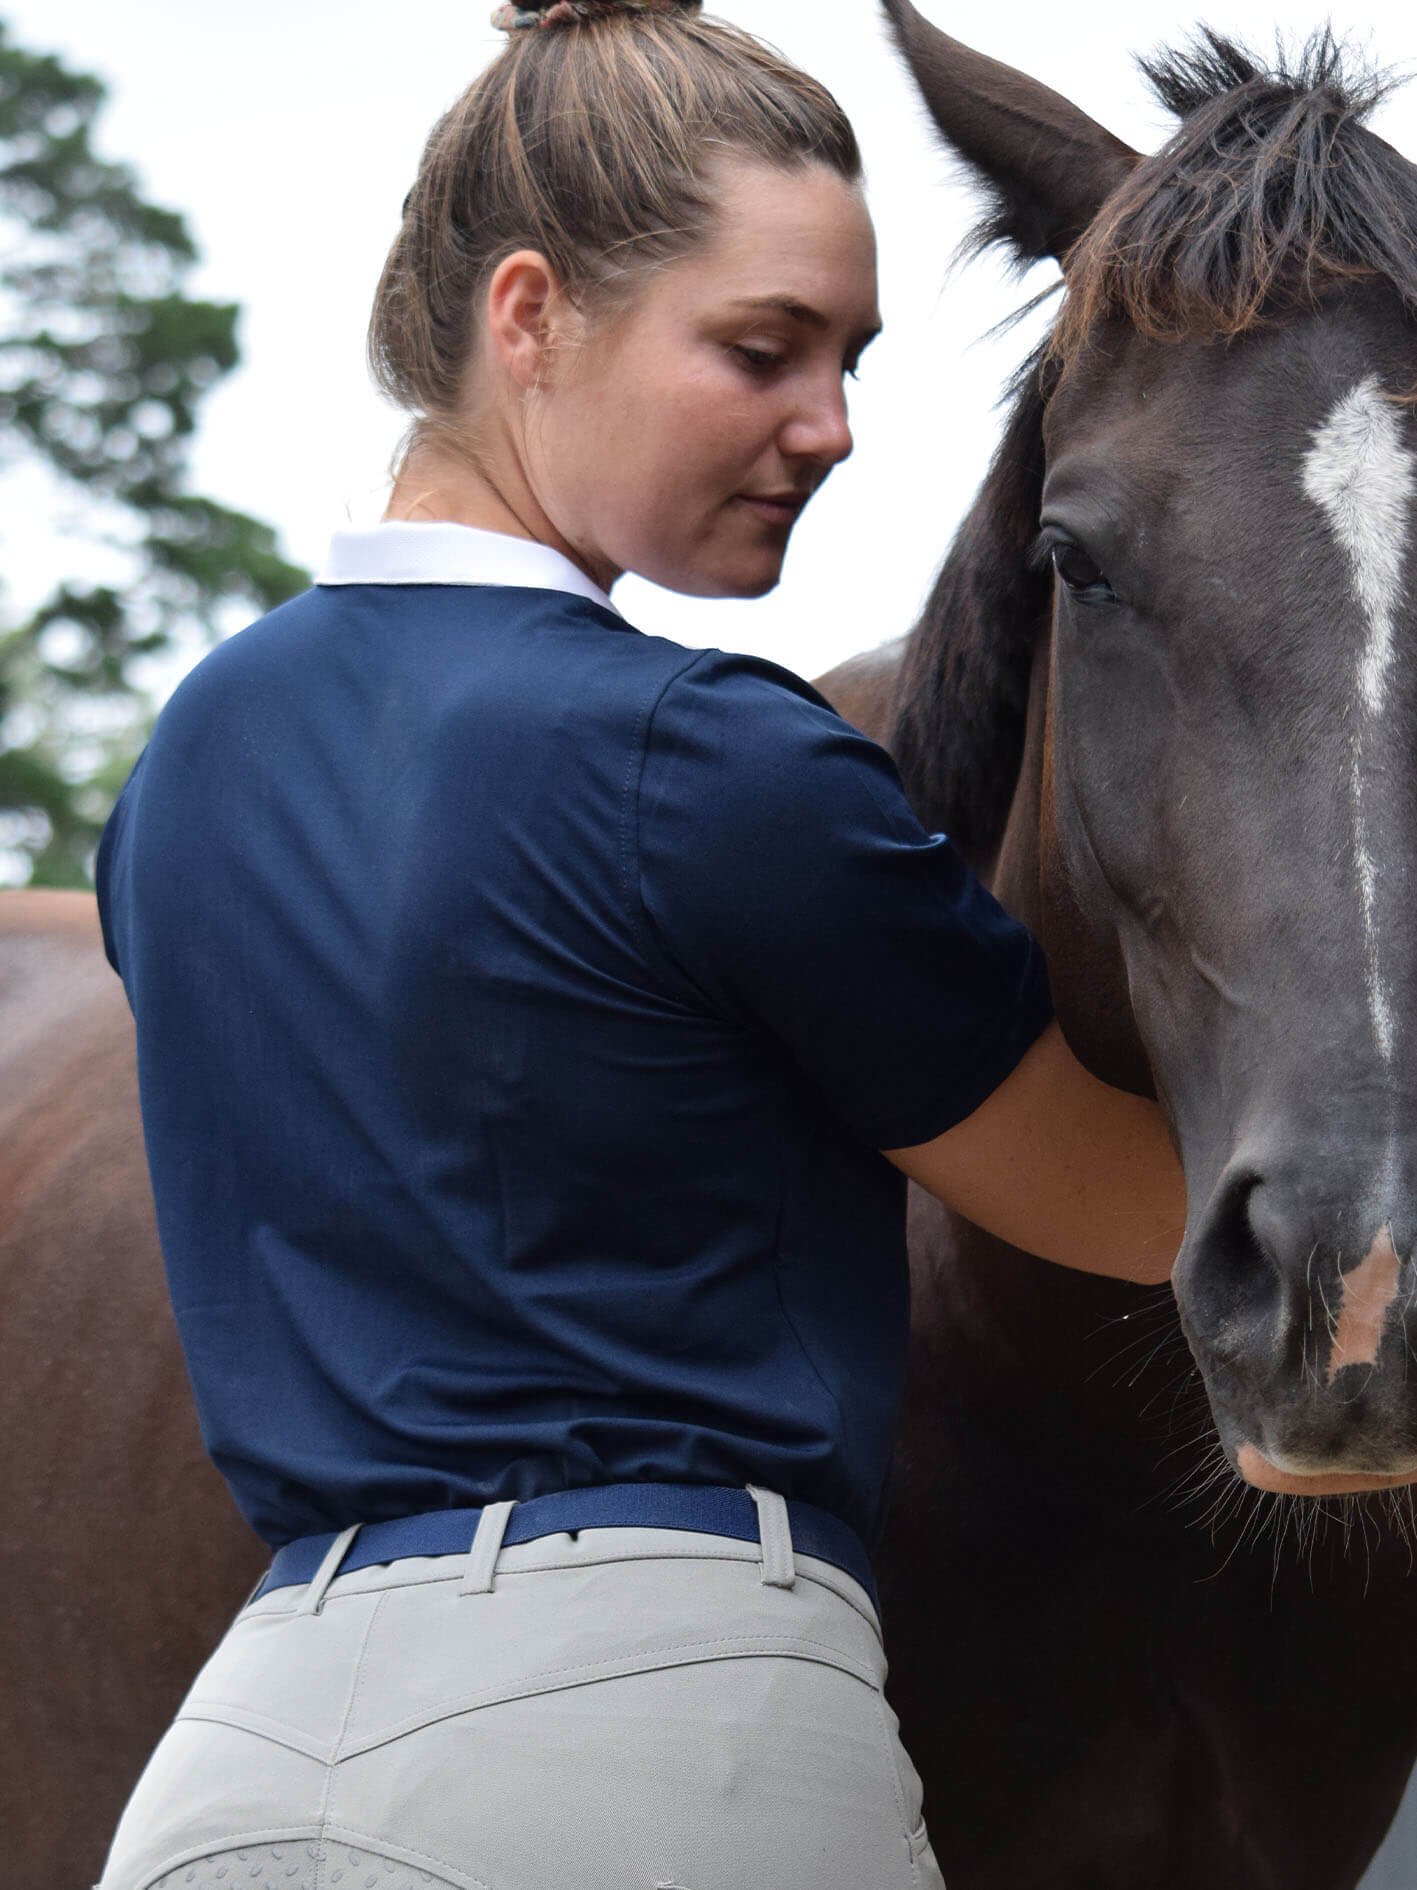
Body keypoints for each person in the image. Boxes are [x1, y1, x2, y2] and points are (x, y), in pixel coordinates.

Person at [94, 4, 1185, 1887]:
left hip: (241, 1756)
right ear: (527, 315)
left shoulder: (189, 761)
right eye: (759, 351)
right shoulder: (715, 762)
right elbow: (1133, 1207)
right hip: (660, 1731)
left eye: (846, 359)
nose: (830, 427)